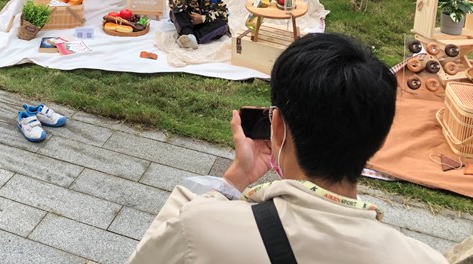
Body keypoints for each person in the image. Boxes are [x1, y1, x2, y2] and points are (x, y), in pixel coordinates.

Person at [128, 33, 446, 263]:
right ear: (378, 136)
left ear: (276, 126)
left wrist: (233, 180)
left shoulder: (203, 226)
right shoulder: (424, 258)